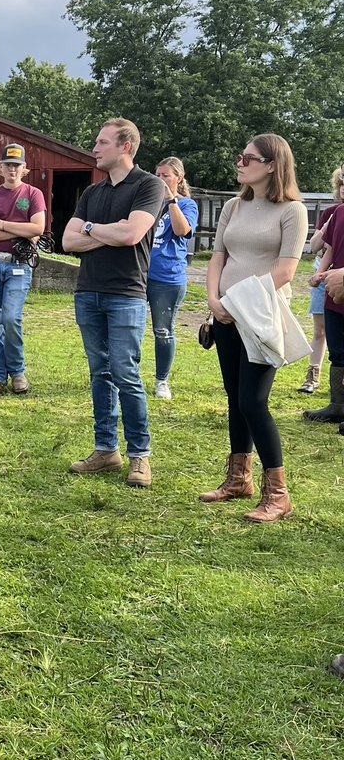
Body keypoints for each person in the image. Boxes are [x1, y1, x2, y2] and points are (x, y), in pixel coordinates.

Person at [200, 134, 307, 522]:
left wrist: (234, 301)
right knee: (234, 397)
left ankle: (278, 494)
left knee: (252, 401)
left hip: (261, 315)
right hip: (226, 314)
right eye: (240, 156)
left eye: (248, 158)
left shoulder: (292, 211)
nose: (240, 163)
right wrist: (214, 300)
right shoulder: (233, 205)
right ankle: (238, 479)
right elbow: (218, 256)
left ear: (272, 165)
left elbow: (286, 270)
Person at [62, 118, 165, 488]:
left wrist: (91, 230)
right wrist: (105, 232)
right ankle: (106, 450)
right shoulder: (93, 193)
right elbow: (68, 241)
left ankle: (140, 456)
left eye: (102, 142)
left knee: (126, 373)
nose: (94, 148)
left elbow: (134, 233)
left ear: (125, 147)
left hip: (126, 294)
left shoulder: (150, 186)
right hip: (88, 291)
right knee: (99, 373)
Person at [0, 143, 45, 395]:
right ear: (0, 168)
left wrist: (2, 224)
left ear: (24, 168)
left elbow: (37, 229)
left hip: (19, 265)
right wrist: (21, 228)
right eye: (8, 165)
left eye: (17, 165)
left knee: (11, 318)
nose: (12, 169)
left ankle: (17, 372)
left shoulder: (33, 194)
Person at [147, 157, 199, 401]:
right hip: (138, 273)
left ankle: (162, 381)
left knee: (162, 330)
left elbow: (181, 230)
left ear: (178, 178)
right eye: (157, 175)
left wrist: (171, 200)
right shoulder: (147, 203)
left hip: (167, 278)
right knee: (130, 329)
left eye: (166, 175)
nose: (161, 180)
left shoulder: (187, 204)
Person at [300, 168, 343, 398]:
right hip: (329, 281)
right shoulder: (334, 213)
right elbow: (321, 247)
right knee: (328, 338)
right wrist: (321, 273)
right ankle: (332, 398)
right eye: (342, 181)